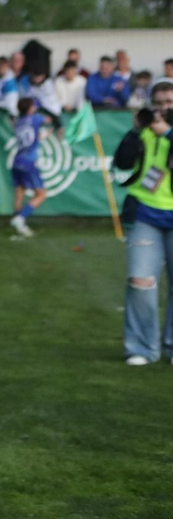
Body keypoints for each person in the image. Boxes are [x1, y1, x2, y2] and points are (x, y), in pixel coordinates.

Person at [115, 82, 173, 365]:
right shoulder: (147, 131)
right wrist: (137, 129)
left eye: (170, 102)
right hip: (145, 213)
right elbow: (122, 162)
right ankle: (140, 348)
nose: (163, 107)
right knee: (140, 280)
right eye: (158, 102)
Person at [9, 96, 48, 237]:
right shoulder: (36, 118)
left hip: (16, 161)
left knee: (19, 194)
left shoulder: (18, 122)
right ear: (30, 108)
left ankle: (20, 225)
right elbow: (48, 120)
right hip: (29, 162)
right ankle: (20, 219)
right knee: (42, 194)